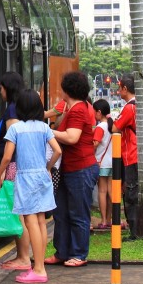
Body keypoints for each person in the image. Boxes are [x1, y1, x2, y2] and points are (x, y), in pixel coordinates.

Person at [0, 89, 62, 284]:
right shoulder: (43, 127)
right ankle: (40, 267)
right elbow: (57, 150)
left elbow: (7, 157)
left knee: (31, 222)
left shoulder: (16, 129)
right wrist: (48, 167)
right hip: (42, 176)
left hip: (26, 178)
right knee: (40, 222)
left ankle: (38, 270)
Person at [46, 71, 99, 267]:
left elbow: (72, 137)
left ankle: (78, 254)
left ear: (67, 89)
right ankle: (62, 251)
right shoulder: (76, 107)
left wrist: (48, 131)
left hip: (81, 168)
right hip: (71, 168)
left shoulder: (78, 110)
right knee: (61, 213)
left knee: (77, 214)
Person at [0, 71, 33, 272]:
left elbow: (13, 144)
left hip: (13, 167)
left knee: (19, 216)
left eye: (1, 88)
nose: (0, 92)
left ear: (7, 88)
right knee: (23, 215)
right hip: (21, 166)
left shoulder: (12, 111)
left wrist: (0, 173)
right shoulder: (22, 108)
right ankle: (22, 256)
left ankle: (24, 258)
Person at [112, 74, 140, 239]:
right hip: (136, 155)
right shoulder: (139, 105)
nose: (118, 91)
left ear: (125, 89)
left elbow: (115, 128)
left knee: (130, 193)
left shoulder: (129, 108)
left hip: (131, 155)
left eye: (119, 87)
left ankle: (134, 232)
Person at [91, 98, 114, 231]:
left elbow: (95, 144)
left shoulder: (100, 127)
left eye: (94, 112)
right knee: (111, 192)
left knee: (102, 191)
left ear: (99, 112)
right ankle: (111, 219)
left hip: (102, 163)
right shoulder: (112, 125)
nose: (94, 115)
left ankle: (104, 220)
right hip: (113, 163)